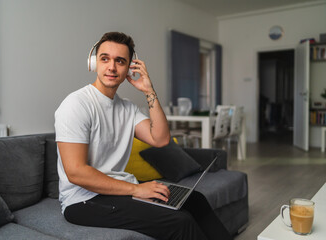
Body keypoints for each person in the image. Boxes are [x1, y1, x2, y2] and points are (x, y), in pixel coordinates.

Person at [55, 32, 232, 240]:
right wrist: (136, 189)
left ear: (130, 67)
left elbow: (160, 138)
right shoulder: (76, 104)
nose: (111, 67)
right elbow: (76, 173)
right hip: (82, 200)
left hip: (117, 191)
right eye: (105, 59)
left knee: (195, 200)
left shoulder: (127, 108)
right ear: (94, 63)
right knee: (179, 222)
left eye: (120, 61)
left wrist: (149, 91)